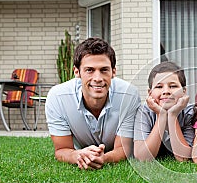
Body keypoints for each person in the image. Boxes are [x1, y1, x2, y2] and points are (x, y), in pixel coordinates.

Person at [45, 37, 140, 170]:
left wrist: (103, 159)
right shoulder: (58, 97)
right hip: (79, 150)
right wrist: (78, 156)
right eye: (89, 70)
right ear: (77, 72)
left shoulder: (129, 95)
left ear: (113, 72)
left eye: (104, 70)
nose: (98, 78)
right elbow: (62, 149)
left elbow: (123, 149)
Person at [133, 61, 194, 161]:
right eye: (159, 86)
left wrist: (173, 115)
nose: (166, 91)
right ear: (150, 93)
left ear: (183, 91)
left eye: (173, 86)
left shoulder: (189, 113)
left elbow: (183, 158)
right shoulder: (144, 112)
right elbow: (143, 158)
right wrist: (161, 115)